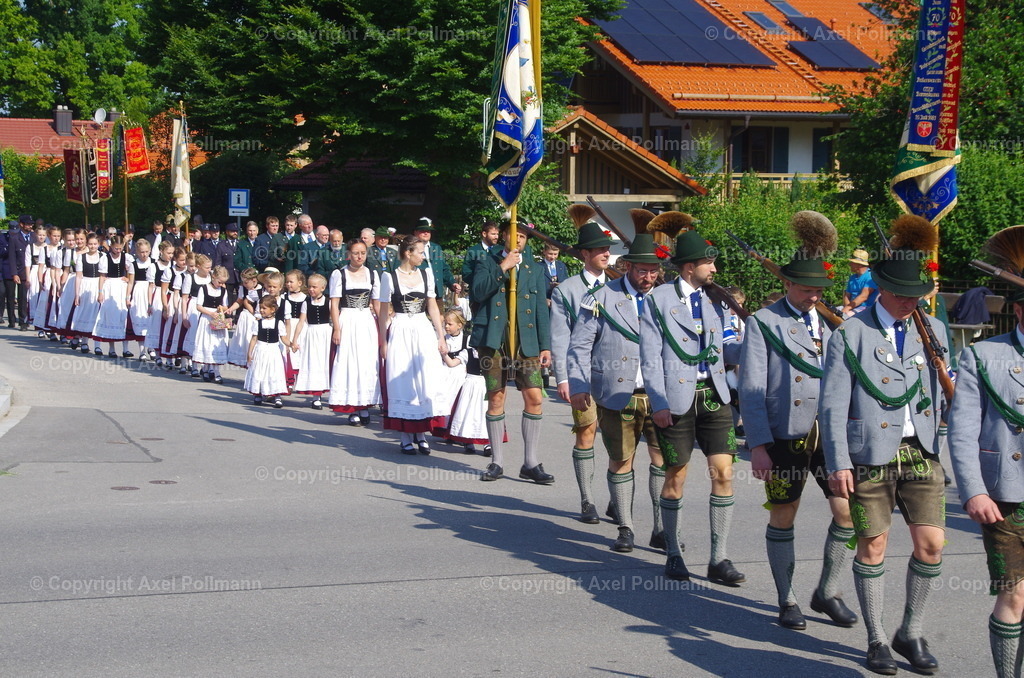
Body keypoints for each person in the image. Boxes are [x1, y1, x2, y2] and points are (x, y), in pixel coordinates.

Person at [823, 238, 948, 675]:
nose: (910, 303)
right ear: (882, 289)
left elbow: (943, 392)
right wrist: (838, 462)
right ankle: (876, 638)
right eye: (902, 295)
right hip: (870, 453)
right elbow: (833, 405)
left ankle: (910, 632)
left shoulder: (931, 329)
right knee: (873, 546)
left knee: (931, 546)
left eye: (917, 296)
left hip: (921, 450)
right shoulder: (850, 333)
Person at [740, 250, 858, 630]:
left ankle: (827, 590)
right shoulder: (763, 322)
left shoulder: (832, 323)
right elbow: (752, 388)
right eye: (807, 289)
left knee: (847, 512)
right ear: (787, 283)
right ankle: (787, 598)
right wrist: (758, 445)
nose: (814, 296)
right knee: (784, 512)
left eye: (819, 290)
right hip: (785, 433)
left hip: (830, 433)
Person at [638, 225, 742, 585]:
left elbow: (726, 349)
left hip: (714, 395)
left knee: (723, 474)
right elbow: (650, 357)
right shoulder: (658, 300)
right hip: (676, 399)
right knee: (676, 475)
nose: (714, 269)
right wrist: (659, 402)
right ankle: (673, 552)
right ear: (689, 267)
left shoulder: (716, 299)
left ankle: (719, 558)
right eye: (708, 263)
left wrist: (757, 343)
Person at [948, 257, 1024, 678]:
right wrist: (973, 490)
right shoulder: (982, 355)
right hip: (1004, 497)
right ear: (1018, 310)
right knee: (1014, 596)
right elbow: (962, 432)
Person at [568, 234, 668, 553]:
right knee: (620, 459)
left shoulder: (668, 298)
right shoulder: (600, 297)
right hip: (616, 391)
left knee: (662, 459)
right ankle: (625, 527)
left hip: (661, 394)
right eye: (642, 270)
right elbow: (580, 345)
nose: (648, 277)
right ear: (627, 266)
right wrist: (579, 385)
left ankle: (661, 528)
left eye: (653, 271)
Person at [470, 219, 553, 484]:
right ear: (504, 236)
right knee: (496, 398)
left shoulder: (535, 268)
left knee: (535, 397)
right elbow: (477, 292)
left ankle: (530, 463)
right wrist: (503, 267)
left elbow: (540, 309)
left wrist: (545, 345)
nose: (518, 240)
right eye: (514, 234)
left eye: (523, 237)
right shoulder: (486, 260)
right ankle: (497, 461)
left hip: (526, 341)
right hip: (494, 339)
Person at [550, 220, 614, 521]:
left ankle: (617, 497)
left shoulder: (618, 286)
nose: (606, 254)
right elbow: (560, 337)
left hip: (617, 374)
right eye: (600, 249)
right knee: (587, 431)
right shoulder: (567, 290)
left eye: (607, 249)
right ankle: (587, 499)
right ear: (585, 254)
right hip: (582, 374)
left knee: (619, 437)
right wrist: (564, 378)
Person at [378, 235, 447, 453]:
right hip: (400, 329)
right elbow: (382, 313)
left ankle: (421, 433)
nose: (423, 256)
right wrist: (382, 341)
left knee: (425, 379)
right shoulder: (389, 277)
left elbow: (432, 307)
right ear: (408, 253)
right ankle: (406, 435)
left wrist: (441, 336)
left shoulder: (426, 274)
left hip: (422, 329)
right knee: (403, 380)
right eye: (420, 252)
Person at [328, 239, 382, 426]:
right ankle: (352, 407)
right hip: (348, 320)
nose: (359, 257)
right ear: (348, 254)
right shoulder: (339, 274)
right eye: (356, 253)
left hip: (366, 321)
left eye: (363, 253)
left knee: (367, 362)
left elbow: (377, 304)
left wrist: (383, 325)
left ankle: (364, 405)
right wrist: (337, 328)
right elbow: (334, 304)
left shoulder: (372, 274)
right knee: (349, 362)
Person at [441, 309, 491, 454]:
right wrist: (444, 354)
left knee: (485, 412)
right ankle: (468, 441)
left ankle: (488, 443)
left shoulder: (490, 353)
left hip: (484, 386)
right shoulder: (467, 352)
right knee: (467, 413)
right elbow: (452, 363)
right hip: (469, 385)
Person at [291, 273, 332, 409]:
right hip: (312, 334)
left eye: (314, 287)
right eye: (309, 287)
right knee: (314, 363)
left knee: (327, 362)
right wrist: (295, 340)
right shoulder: (306, 302)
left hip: (326, 334)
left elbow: (336, 319)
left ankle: (332, 392)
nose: (311, 289)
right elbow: (301, 322)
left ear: (323, 288)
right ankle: (316, 397)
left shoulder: (329, 302)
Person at [191, 265, 235, 384]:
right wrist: (210, 313)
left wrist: (222, 308)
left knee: (216, 345)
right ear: (213, 277)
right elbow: (198, 306)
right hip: (206, 318)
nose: (221, 285)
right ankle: (205, 370)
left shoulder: (223, 291)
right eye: (219, 282)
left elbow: (225, 305)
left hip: (218, 319)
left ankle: (216, 372)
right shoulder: (204, 288)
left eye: (223, 283)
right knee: (207, 344)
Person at [245, 295, 290, 407]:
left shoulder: (279, 323)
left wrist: (292, 344)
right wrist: (249, 353)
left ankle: (277, 396)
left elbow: (284, 338)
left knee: (274, 373)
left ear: (273, 309)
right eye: (260, 308)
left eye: (264, 308)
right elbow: (254, 339)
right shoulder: (258, 323)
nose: (261, 310)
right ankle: (258, 394)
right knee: (259, 372)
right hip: (260, 350)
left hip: (273, 351)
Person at [70, 233, 104, 352]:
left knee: (98, 315)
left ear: (98, 244)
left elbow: (105, 274)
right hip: (86, 286)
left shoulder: (103, 256)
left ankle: (97, 345)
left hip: (99, 285)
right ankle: (84, 341)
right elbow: (79, 276)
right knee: (85, 313)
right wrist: (77, 294)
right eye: (90, 244)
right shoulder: (82, 257)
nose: (93, 246)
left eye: (95, 244)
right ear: (87, 244)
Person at [414, 217, 460, 301]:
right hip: (418, 294)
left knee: (439, 310)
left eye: (428, 231)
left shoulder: (436, 247)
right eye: (423, 230)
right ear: (415, 232)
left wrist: (452, 283)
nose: (426, 233)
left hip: (436, 293)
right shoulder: (410, 248)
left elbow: (444, 269)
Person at [126, 239, 156, 359]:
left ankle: (152, 348)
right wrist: (128, 297)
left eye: (146, 252)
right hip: (139, 292)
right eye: (142, 252)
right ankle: (142, 351)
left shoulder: (153, 263)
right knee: (140, 318)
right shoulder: (133, 264)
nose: (144, 254)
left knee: (152, 320)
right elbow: (130, 282)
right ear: (137, 252)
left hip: (151, 290)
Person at [146, 241, 175, 364]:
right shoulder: (154, 266)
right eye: (168, 253)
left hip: (172, 296)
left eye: (172, 253)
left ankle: (169, 355)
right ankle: (157, 354)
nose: (171, 255)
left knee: (170, 325)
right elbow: (150, 286)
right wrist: (149, 304)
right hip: (158, 295)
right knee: (157, 325)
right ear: (161, 252)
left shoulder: (174, 266)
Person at [228, 268, 261, 368]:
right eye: (243, 282)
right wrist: (231, 309)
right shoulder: (243, 288)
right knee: (244, 338)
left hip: (255, 317)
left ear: (254, 280)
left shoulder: (261, 290)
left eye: (246, 282)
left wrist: (256, 314)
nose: (244, 284)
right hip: (245, 317)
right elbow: (239, 301)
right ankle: (244, 360)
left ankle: (253, 360)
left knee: (252, 338)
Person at [9, 214, 34, 330]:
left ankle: (34, 319)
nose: (30, 226)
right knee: (22, 298)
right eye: (28, 224)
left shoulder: (34, 237)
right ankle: (23, 321)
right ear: (21, 224)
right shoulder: (14, 238)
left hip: (35, 271)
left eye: (31, 224)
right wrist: (14, 273)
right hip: (22, 272)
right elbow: (12, 258)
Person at [841, 248, 878, 318]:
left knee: (846, 316)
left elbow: (863, 297)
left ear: (859, 265)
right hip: (851, 307)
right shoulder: (852, 278)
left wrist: (847, 308)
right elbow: (847, 296)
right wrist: (846, 308)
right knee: (832, 313)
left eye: (852, 262)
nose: (849, 264)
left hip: (866, 309)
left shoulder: (870, 277)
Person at [462, 220, 500, 288]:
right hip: (478, 289)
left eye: (497, 234)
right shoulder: (473, 251)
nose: (496, 237)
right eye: (493, 234)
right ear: (484, 234)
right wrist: (480, 281)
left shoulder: (500, 250)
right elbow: (466, 273)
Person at [216, 222, 241, 299]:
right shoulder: (221, 245)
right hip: (227, 277)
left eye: (236, 231)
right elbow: (218, 262)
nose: (235, 233)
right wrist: (220, 277)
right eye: (233, 231)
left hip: (239, 276)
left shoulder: (241, 244)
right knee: (227, 299)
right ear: (227, 232)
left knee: (240, 298)